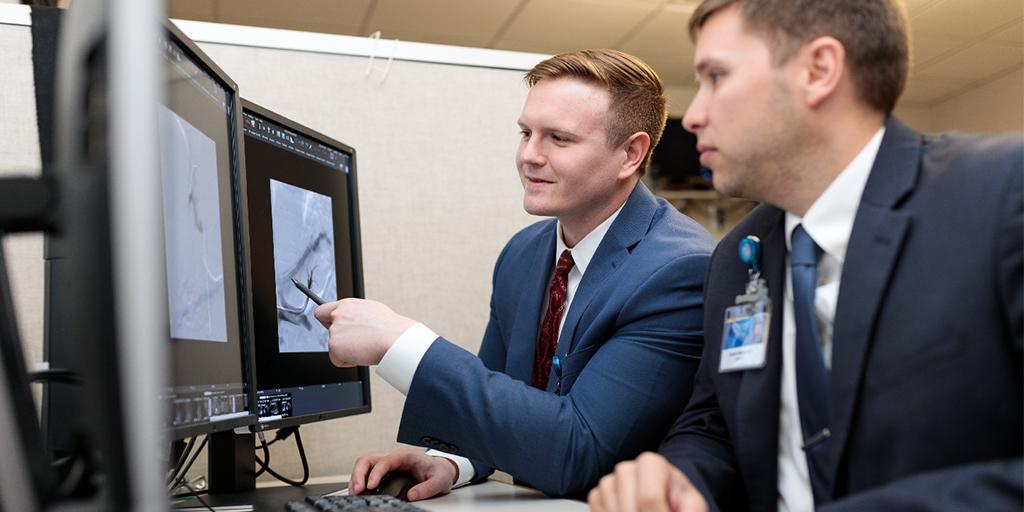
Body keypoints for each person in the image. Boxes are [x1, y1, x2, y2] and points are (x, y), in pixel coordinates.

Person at [588, 1, 1023, 510]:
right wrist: (680, 477)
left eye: (717, 77)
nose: (695, 116)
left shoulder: (999, 197)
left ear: (818, 71)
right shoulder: (735, 258)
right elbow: (715, 425)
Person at [313, 49, 716, 501]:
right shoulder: (524, 254)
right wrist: (450, 462)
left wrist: (401, 343)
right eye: (526, 133)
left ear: (630, 153)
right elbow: (501, 408)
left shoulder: (678, 271)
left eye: (558, 139)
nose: (528, 155)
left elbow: (578, 453)